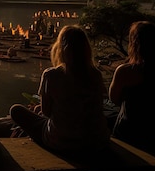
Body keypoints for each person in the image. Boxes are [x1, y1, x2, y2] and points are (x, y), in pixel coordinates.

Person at [9, 25, 110, 153]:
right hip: (97, 141)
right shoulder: (95, 74)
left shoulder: (51, 74)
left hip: (62, 141)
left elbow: (46, 112)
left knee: (16, 110)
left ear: (61, 48)